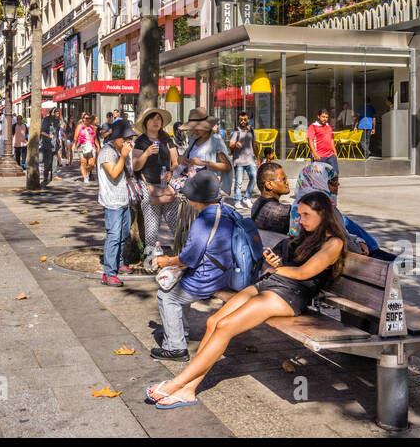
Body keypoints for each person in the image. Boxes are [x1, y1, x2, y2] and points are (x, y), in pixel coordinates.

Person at [147, 190, 348, 408]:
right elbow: (290, 268)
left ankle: (176, 384)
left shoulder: (333, 243)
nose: (300, 220)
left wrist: (276, 271)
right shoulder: (309, 236)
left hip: (290, 295)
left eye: (306, 215)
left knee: (225, 326)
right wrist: (276, 265)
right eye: (299, 215)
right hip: (273, 285)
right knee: (212, 322)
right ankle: (188, 390)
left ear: (324, 214)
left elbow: (302, 274)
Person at [150, 171, 236, 361]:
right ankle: (180, 332)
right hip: (230, 273)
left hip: (212, 277)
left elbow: (189, 258)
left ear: (198, 198)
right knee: (181, 286)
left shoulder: (204, 221)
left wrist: (168, 261)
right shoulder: (229, 211)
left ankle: (175, 347)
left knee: (167, 294)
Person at [287, 161, 378, 253]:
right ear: (319, 182)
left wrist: (358, 241)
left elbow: (344, 234)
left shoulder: (318, 205)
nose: (338, 184)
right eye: (333, 181)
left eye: (337, 179)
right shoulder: (317, 209)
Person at [132, 107, 180, 267]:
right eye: (152, 118)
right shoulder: (141, 141)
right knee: (151, 227)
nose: (156, 121)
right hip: (149, 187)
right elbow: (136, 167)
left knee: (176, 224)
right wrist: (146, 153)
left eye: (158, 118)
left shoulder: (167, 139)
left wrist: (171, 173)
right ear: (146, 122)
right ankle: (150, 260)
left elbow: (175, 162)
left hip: (165, 186)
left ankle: (183, 257)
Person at [97, 118, 136, 286]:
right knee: (113, 236)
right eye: (125, 139)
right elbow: (113, 173)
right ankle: (108, 272)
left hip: (124, 200)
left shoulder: (123, 150)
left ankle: (119, 263)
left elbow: (128, 173)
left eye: (130, 139)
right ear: (117, 137)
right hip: (112, 202)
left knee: (123, 234)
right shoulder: (107, 152)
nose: (128, 142)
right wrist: (124, 155)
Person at [178, 107, 231, 187]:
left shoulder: (216, 141)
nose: (195, 130)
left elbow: (227, 167)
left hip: (207, 185)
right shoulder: (193, 139)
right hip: (192, 184)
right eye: (193, 128)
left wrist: (202, 163)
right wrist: (181, 159)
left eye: (198, 128)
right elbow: (184, 157)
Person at [227, 112, 258, 207]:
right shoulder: (235, 132)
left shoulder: (252, 131)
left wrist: (258, 157)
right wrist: (235, 144)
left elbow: (254, 144)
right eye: (241, 120)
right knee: (238, 182)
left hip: (250, 160)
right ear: (238, 120)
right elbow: (230, 146)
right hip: (239, 161)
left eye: (245, 119)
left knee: (254, 176)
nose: (243, 121)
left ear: (248, 119)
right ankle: (237, 200)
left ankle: (247, 198)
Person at [250, 161, 290, 233]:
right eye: (283, 179)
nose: (287, 182)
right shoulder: (284, 212)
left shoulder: (256, 203)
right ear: (269, 185)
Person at [306, 108, 337, 174]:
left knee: (334, 175)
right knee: (318, 177)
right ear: (318, 116)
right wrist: (315, 154)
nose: (325, 119)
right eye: (323, 117)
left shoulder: (329, 126)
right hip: (319, 157)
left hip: (330, 156)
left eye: (326, 117)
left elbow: (331, 139)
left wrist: (335, 153)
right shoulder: (313, 126)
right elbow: (310, 141)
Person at [75, 112, 98, 183]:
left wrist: (98, 146)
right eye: (86, 118)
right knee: (83, 162)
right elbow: (75, 137)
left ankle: (86, 172)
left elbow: (95, 137)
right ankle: (85, 178)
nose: (88, 120)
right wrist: (73, 146)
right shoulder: (79, 126)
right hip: (82, 146)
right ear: (83, 119)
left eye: (89, 118)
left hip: (91, 146)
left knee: (92, 164)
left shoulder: (92, 127)